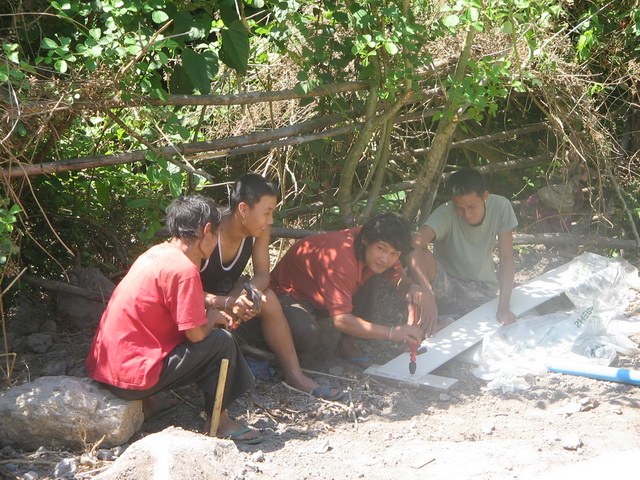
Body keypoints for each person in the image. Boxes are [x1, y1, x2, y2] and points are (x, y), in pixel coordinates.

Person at [87, 194, 262, 444]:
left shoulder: (156, 253)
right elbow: (197, 335)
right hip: (129, 381)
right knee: (222, 342)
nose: (216, 243)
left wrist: (217, 306)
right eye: (216, 234)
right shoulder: (184, 270)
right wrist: (212, 317)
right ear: (207, 230)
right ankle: (220, 422)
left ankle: (151, 403)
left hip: (106, 370)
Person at [200, 173, 343, 401]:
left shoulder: (258, 232)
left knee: (267, 298)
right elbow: (182, 290)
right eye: (266, 213)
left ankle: (295, 376)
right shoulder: (208, 233)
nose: (270, 221)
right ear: (243, 209)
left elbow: (263, 275)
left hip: (227, 299)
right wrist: (226, 303)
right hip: (196, 303)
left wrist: (247, 294)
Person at [269, 212, 427, 367]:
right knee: (303, 333)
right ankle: (289, 361)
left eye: (394, 254)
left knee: (372, 274)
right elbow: (341, 321)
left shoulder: (377, 243)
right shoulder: (341, 260)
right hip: (290, 294)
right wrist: (391, 333)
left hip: (322, 292)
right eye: (381, 249)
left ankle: (347, 345)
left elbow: (398, 279)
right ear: (365, 240)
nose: (386, 258)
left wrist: (411, 288)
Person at [407, 168, 518, 337]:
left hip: (480, 288)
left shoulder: (501, 207)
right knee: (422, 255)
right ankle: (442, 317)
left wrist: (504, 308)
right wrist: (427, 293)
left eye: (472, 206)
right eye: (459, 208)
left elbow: (507, 259)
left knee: (484, 314)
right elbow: (413, 245)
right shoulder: (445, 213)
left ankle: (449, 320)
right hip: (445, 285)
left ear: (485, 196)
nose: (466, 214)